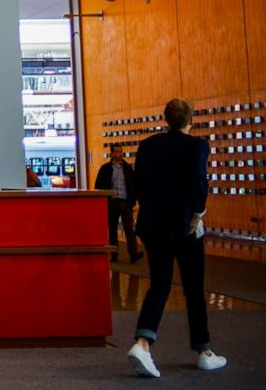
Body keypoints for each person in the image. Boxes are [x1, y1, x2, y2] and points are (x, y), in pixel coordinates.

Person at [127, 98, 225, 378]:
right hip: (183, 226)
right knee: (194, 288)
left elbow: (140, 186)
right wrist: (196, 215)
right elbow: (199, 184)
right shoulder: (196, 146)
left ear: (166, 118)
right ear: (189, 120)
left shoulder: (148, 146)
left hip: (153, 224)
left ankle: (143, 343)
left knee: (159, 284)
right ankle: (204, 350)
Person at [95, 143, 143, 263]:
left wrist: (133, 200)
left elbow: (133, 184)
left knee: (129, 229)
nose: (119, 154)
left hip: (125, 202)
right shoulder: (105, 169)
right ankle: (114, 254)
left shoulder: (127, 168)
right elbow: (99, 186)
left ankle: (133, 253)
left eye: (120, 151)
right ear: (112, 153)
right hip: (111, 202)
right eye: (116, 151)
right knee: (112, 229)